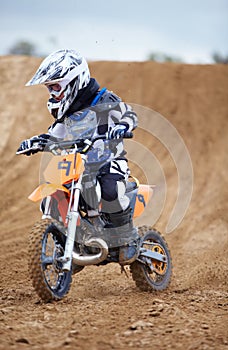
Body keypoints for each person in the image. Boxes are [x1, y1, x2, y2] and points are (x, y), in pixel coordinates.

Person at [17, 49, 140, 265]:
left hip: (109, 161)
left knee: (111, 190)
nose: (52, 93)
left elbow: (129, 114)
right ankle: (71, 241)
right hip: (79, 164)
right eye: (49, 88)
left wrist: (121, 126)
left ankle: (128, 238)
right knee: (55, 194)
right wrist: (36, 142)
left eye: (56, 86)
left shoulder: (103, 99)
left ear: (74, 80)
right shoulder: (66, 111)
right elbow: (56, 134)